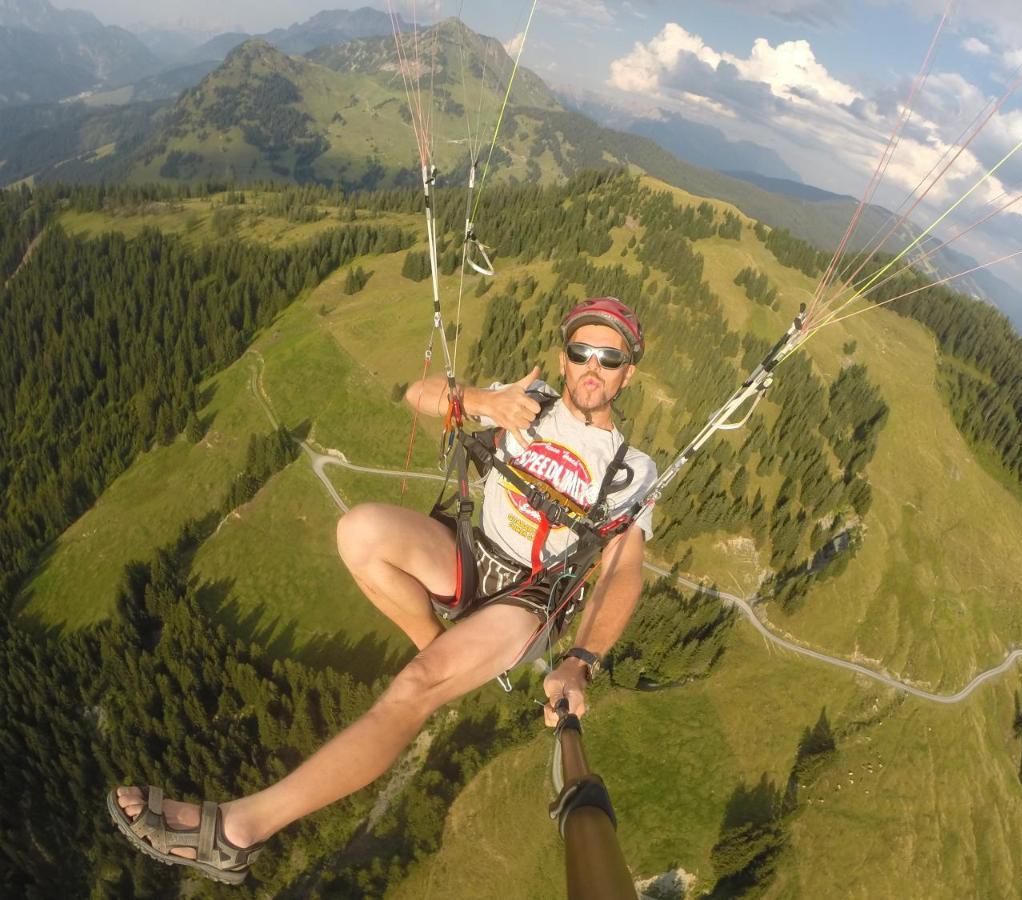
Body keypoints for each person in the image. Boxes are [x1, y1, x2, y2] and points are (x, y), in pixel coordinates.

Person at [108, 297, 657, 884]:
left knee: (415, 688)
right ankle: (440, 649)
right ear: (563, 357)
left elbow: (623, 569)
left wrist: (580, 662)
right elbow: (418, 396)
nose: (592, 366)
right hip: (471, 552)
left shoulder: (632, 469)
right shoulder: (528, 402)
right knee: (359, 530)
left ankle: (238, 830)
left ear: (628, 372)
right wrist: (482, 402)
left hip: (528, 598)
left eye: (610, 357)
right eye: (582, 352)